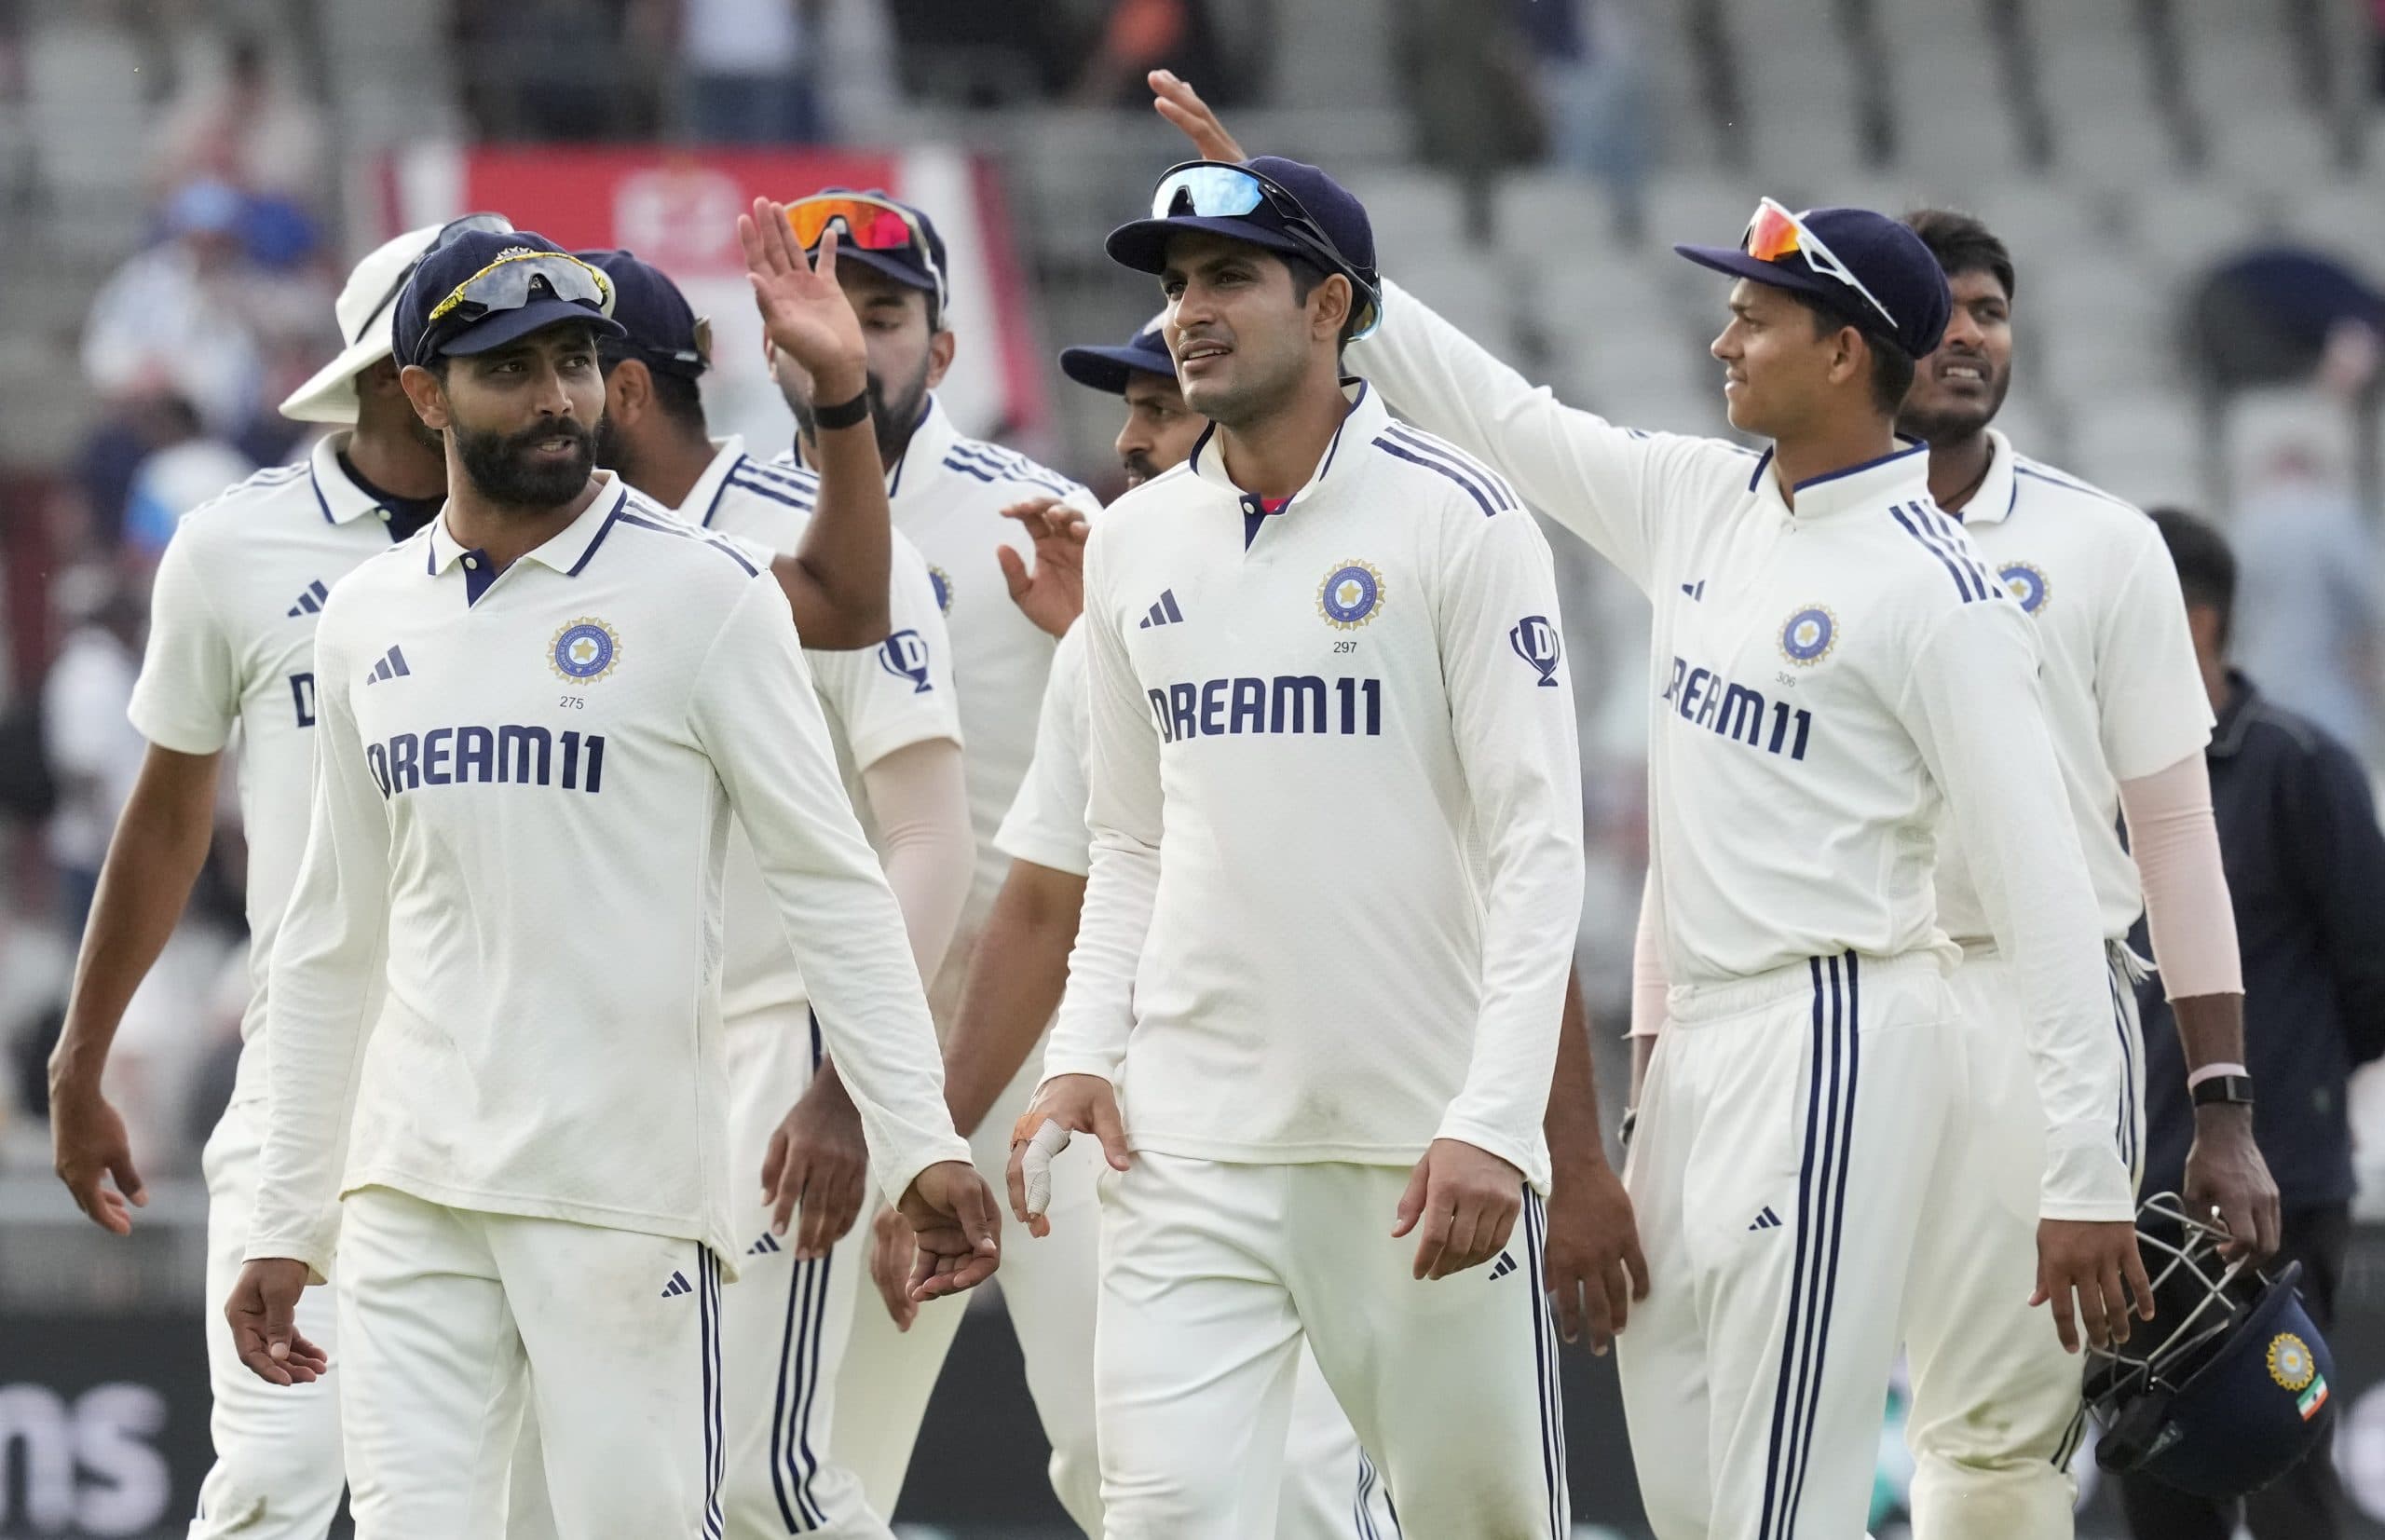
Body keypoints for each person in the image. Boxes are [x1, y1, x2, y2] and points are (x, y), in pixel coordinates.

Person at [1140, 77, 2149, 1538]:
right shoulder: (1701, 500)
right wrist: (1309, 240)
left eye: (1758, 315)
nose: (1724, 337)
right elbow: (1506, 413)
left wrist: (2082, 1170)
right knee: (1680, 1489)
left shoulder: (1944, 595)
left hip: (1846, 1030)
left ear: (1846, 348)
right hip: (1689, 1046)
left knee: (1772, 1498)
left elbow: (2049, 894)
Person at [220, 222, 997, 1534]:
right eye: (509, 368)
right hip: (410, 1195)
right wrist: (287, 1214)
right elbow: (328, 944)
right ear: (423, 393)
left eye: (573, 362)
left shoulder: (708, 596)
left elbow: (834, 884)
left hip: (621, 1200)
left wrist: (916, 1134)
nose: (552, 398)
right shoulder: (366, 621)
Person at [1011, 154, 1588, 1536]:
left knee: (1478, 1520)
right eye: (1176, 285)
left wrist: (1495, 1125)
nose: (1188, 314)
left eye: (1228, 279)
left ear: (1330, 303)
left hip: (1415, 1144)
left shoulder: (1463, 518)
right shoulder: (1138, 544)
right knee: (1160, 1516)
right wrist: (1085, 1053)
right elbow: (1130, 841)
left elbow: (1535, 847)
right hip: (1189, 1143)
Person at [1853, 211, 2279, 1540]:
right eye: (1937, 308)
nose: (1966, 334)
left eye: (1989, 308)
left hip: (2036, 1018)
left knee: (1998, 1448)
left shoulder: (2105, 545)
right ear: (1860, 334)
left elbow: (2174, 830)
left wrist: (2220, 1103)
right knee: (1776, 1419)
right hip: (1830, 1006)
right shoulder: (1766, 541)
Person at [48, 221, 465, 1540]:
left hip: (525, 1082)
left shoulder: (603, 546)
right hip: (307, 1085)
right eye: (492, 343)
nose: (544, 380)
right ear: (406, 375)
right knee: (275, 1489)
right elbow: (167, 819)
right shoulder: (236, 545)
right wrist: (81, 1054)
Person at [564, 244, 974, 1539]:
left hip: (782, 1045)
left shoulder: (821, 543)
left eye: (552, 367)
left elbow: (930, 839)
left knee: (761, 1478)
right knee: (628, 1480)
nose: (527, 401)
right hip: (616, 1077)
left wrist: (853, 1089)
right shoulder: (558, 561)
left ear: (623, 390)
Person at [761, 187, 1110, 1525]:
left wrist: (1093, 639)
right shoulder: (730, 530)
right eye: (827, 305)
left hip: (1039, 1056)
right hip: (833, 1074)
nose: (852, 336)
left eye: (886, 313)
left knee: (1126, 1455)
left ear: (945, 350)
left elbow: (1151, 798)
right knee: (815, 1470)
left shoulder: (1046, 519)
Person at [2119, 508, 2385, 1540]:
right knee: (2161, 1489)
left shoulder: (2298, 765)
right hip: (2130, 1205)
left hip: (2270, 1193)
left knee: (2286, 1484)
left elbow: (2373, 972)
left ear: (2194, 623)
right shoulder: (2092, 776)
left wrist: (2289, 1086)